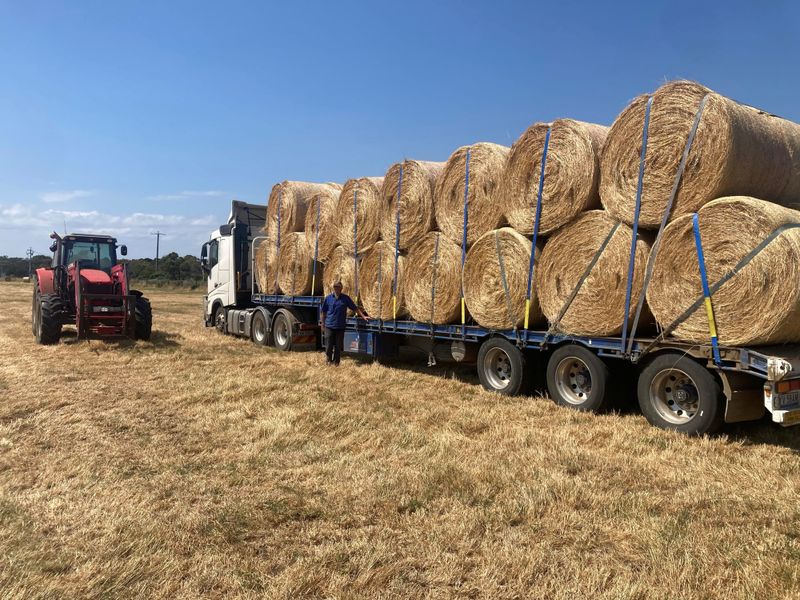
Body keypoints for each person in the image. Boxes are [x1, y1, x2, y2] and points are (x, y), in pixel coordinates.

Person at [319, 281, 368, 365]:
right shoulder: (328, 298)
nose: (336, 288)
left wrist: (363, 316)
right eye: (335, 287)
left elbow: (355, 308)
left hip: (340, 326)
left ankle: (336, 362)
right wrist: (322, 324)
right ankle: (328, 360)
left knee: (338, 346)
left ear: (341, 288)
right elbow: (323, 312)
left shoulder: (345, 298)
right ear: (333, 288)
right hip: (329, 326)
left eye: (338, 287)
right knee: (329, 345)